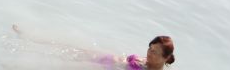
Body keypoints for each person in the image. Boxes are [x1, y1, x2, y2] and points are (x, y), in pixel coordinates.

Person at [12, 27, 175, 69]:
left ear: (166, 58)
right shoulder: (148, 61)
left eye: (154, 52)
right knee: (66, 48)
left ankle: (18, 67)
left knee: (63, 66)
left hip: (105, 68)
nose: (149, 53)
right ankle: (29, 37)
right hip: (108, 57)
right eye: (149, 48)